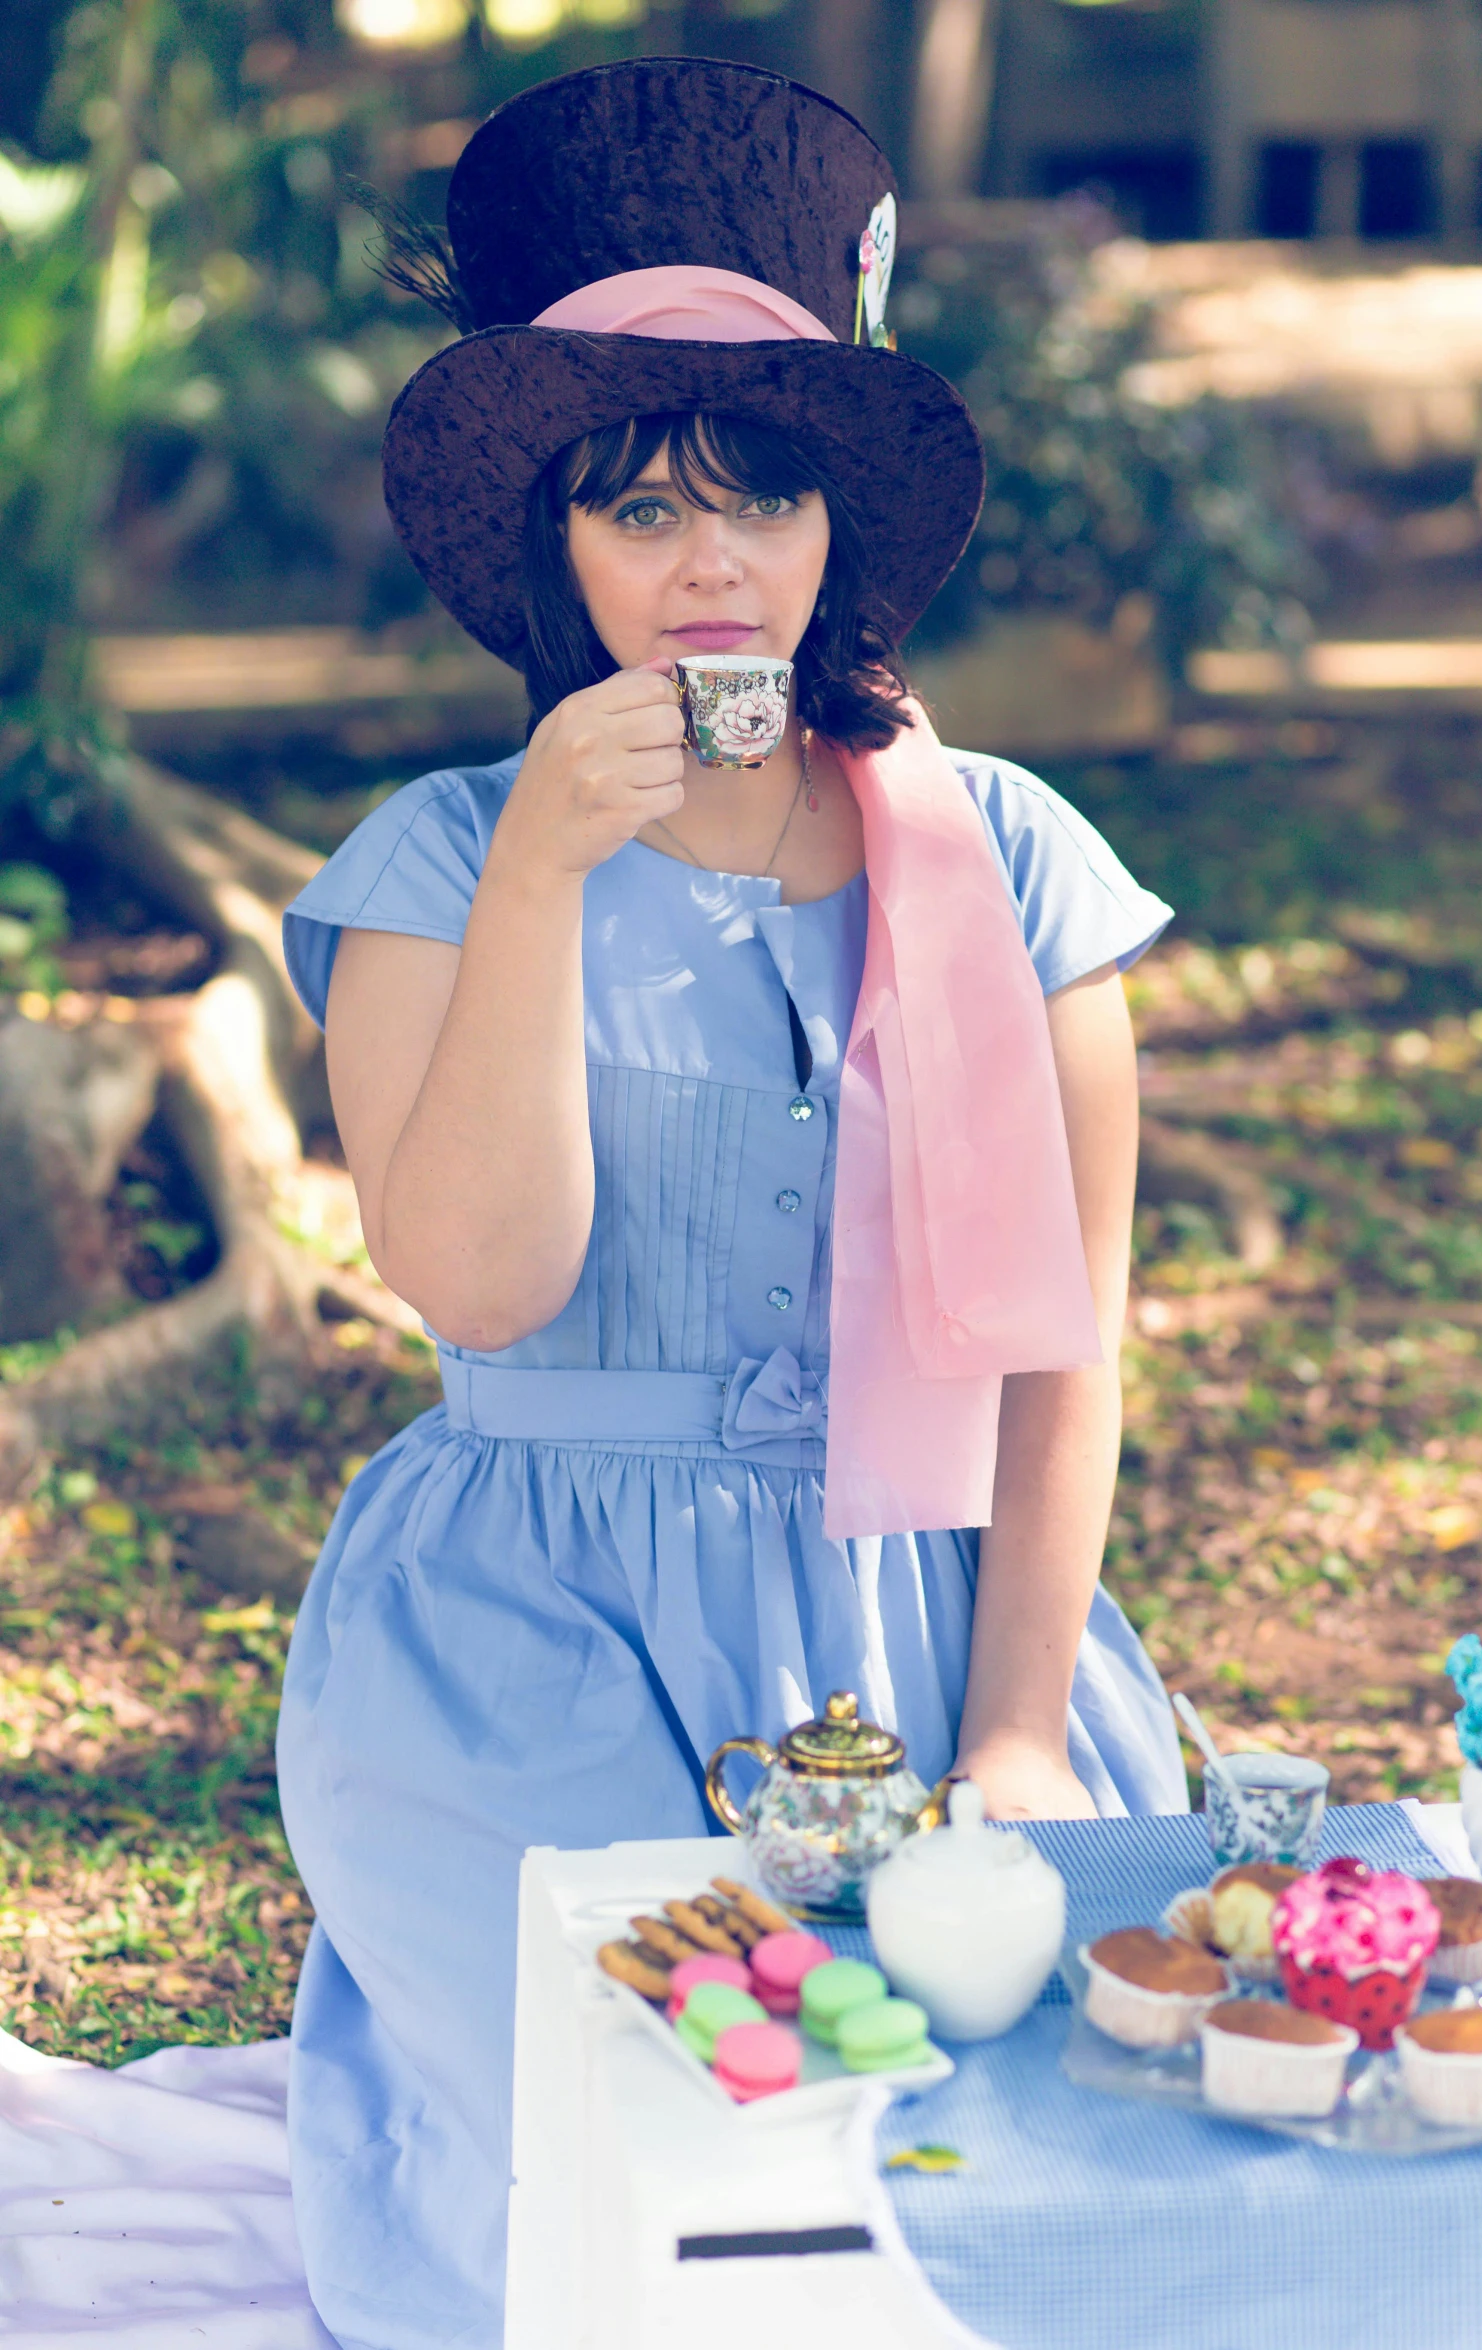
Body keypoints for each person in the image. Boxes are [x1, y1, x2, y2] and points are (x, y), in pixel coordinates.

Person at [276, 56, 1187, 2350]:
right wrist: (549, 878)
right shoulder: (438, 867)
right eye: (636, 506)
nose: (706, 565)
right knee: (699, 2153)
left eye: (758, 496)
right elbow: (479, 1277)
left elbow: (1067, 1345)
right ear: (549, 551)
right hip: (523, 1645)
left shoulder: (1006, 856)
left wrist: (1008, 1738)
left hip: (934, 1614)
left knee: (1028, 2173)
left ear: (832, 532)